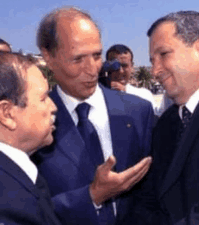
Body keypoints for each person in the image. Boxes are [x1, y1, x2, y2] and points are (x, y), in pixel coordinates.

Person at [31, 6, 154, 225]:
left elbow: (155, 193)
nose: (92, 70)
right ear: (48, 57)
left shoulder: (139, 111)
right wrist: (91, 196)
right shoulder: (29, 124)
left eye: (97, 55)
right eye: (77, 59)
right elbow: (26, 209)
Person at [126, 10, 199, 225]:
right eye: (152, 60)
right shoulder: (168, 122)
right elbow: (149, 197)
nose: (154, 70)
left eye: (164, 54)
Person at [0, 52, 61, 224]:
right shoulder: (7, 201)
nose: (53, 107)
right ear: (7, 114)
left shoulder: (16, 176)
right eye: (43, 99)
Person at [105, 44, 156, 112]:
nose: (120, 71)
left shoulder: (144, 95)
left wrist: (125, 94)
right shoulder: (97, 95)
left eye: (124, 66)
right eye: (115, 66)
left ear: (131, 66)